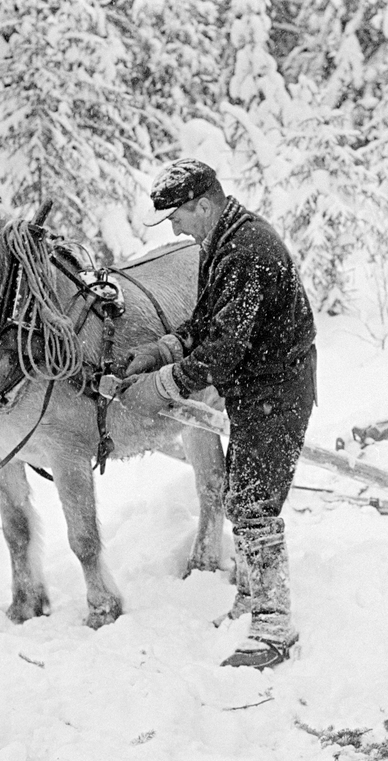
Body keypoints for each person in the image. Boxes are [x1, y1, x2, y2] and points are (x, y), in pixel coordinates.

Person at [119, 158, 316, 669]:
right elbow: (206, 321)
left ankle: (274, 626)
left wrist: (161, 386)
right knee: (242, 494)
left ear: (203, 205)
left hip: (278, 387)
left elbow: (223, 349)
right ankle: (251, 600)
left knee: (253, 504)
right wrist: (162, 349)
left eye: (178, 218)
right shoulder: (220, 244)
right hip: (256, 386)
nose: (175, 229)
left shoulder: (247, 251)